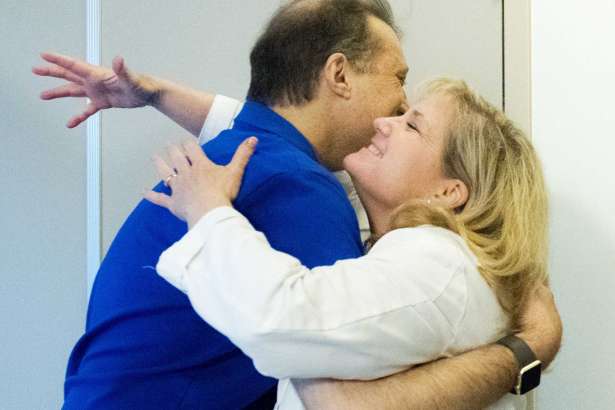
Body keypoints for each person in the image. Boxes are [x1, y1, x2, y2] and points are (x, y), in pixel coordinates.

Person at [34, 1, 561, 408]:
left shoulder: (260, 167)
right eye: (399, 82)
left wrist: (158, 99)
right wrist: (531, 345)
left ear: (453, 188)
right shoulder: (296, 183)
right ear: (338, 75)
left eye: (412, 122)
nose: (395, 111)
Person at [146, 78, 549, 410]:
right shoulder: (418, 256)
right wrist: (152, 94)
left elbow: (282, 319)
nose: (382, 122)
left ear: (449, 192)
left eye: (412, 125)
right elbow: (287, 130)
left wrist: (207, 208)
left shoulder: (440, 262)